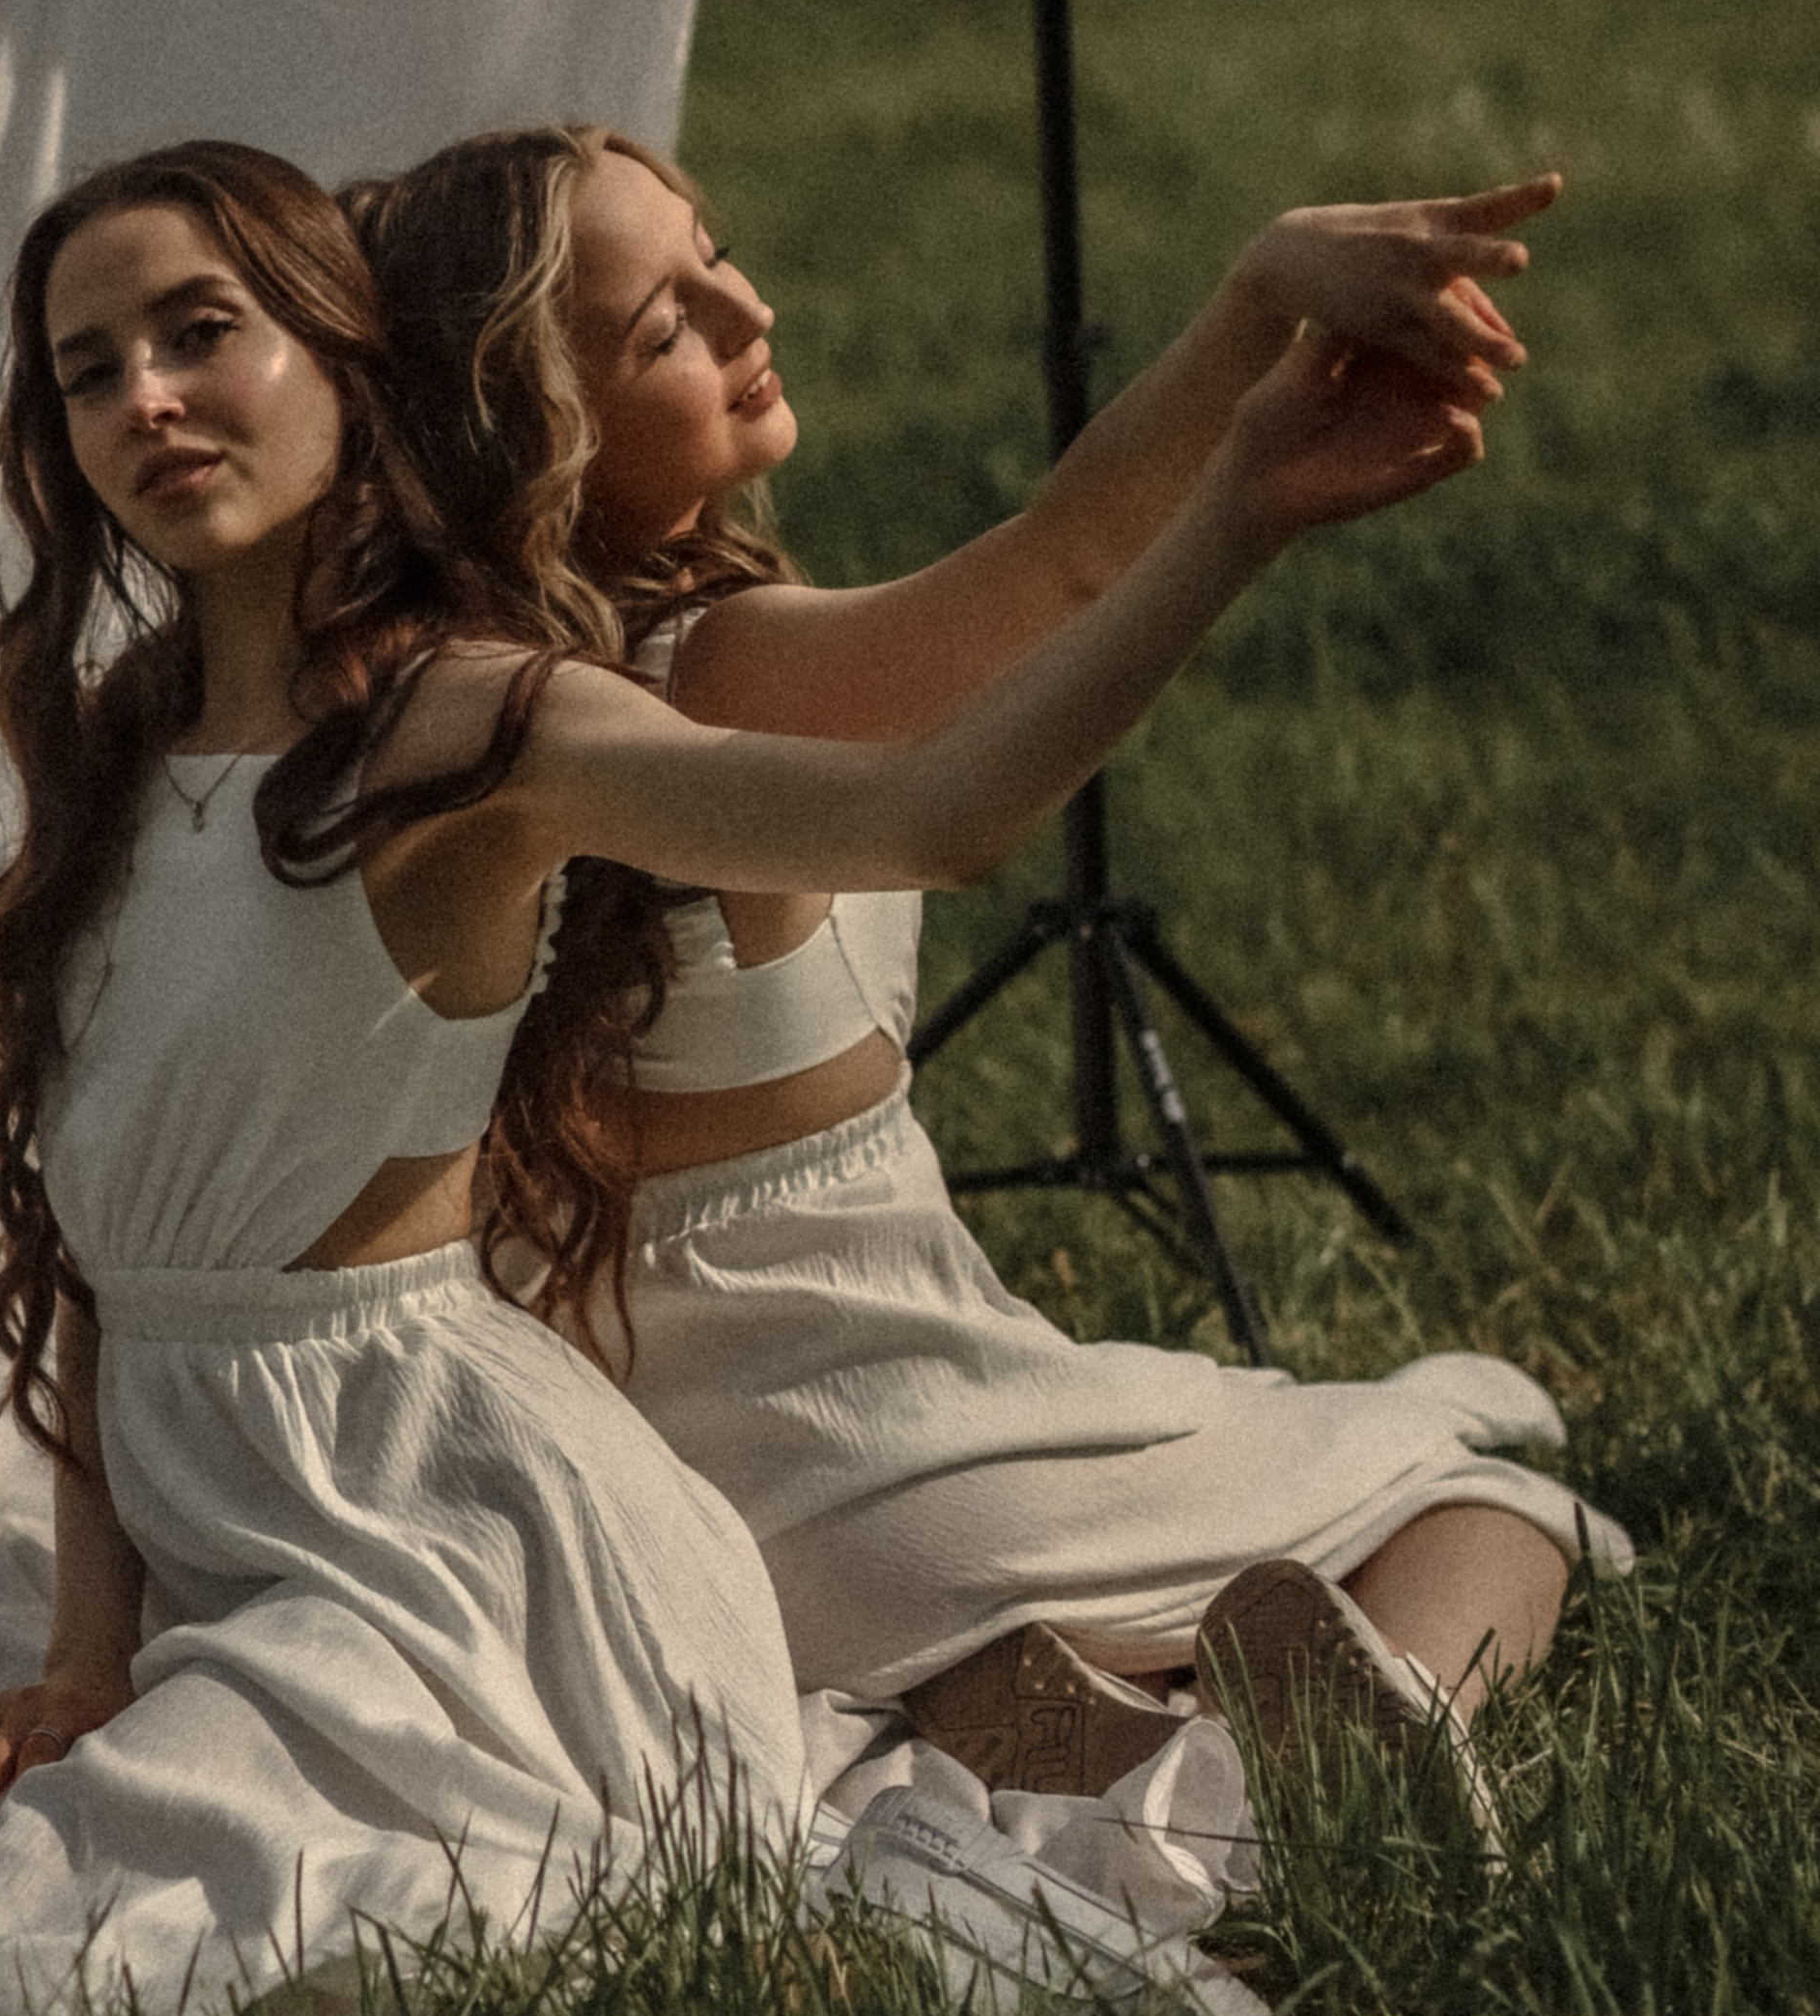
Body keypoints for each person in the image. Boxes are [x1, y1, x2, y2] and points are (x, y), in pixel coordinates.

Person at [0, 134, 1500, 2016]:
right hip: (258, 1534)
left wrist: (1235, 517)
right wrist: (81, 1661)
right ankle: (1032, 1772)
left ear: (345, 374)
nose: (144, 398)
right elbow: (116, 1258)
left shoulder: (476, 724)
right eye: (87, 368)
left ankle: (1072, 1826)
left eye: (201, 335)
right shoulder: (116, 737)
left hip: (440, 1539)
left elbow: (928, 815)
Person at [346, 128, 1632, 1801]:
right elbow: (1060, 566)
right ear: (529, 434)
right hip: (881, 1440)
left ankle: (1045, 1695)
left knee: (1143, 1522)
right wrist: (1247, 339)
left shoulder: (483, 699)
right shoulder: (709, 668)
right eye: (668, 327)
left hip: (677, 1478)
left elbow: (1058, 541)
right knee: (1485, 1490)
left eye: (717, 256)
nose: (751, 310)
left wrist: (1255, 299)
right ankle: (1362, 1741)